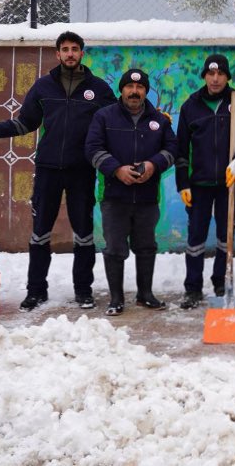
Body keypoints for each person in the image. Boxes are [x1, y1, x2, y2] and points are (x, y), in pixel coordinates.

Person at [0, 31, 116, 311]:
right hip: (48, 169)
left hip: (81, 170)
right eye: (65, 49)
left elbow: (116, 121)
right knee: (40, 233)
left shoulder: (98, 89)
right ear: (57, 53)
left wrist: (152, 119)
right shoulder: (43, 87)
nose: (70, 53)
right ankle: (36, 290)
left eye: (75, 48)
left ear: (82, 53)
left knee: (84, 232)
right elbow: (25, 123)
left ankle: (83, 290)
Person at [84, 68, 177, 316]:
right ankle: (116, 299)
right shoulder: (104, 117)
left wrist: (153, 164)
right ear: (122, 90)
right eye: (129, 87)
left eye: (140, 88)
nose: (134, 92)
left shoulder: (160, 120)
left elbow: (172, 149)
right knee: (115, 248)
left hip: (147, 198)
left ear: (145, 91)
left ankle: (145, 294)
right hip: (115, 197)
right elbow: (92, 149)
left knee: (146, 246)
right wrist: (116, 170)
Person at [174, 54, 235, 309]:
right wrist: (183, 183)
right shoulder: (191, 106)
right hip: (198, 185)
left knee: (225, 235)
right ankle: (193, 287)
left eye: (221, 74)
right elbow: (181, 150)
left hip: (228, 184)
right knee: (196, 238)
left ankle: (221, 280)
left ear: (228, 77)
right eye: (211, 74)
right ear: (204, 76)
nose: (216, 78)